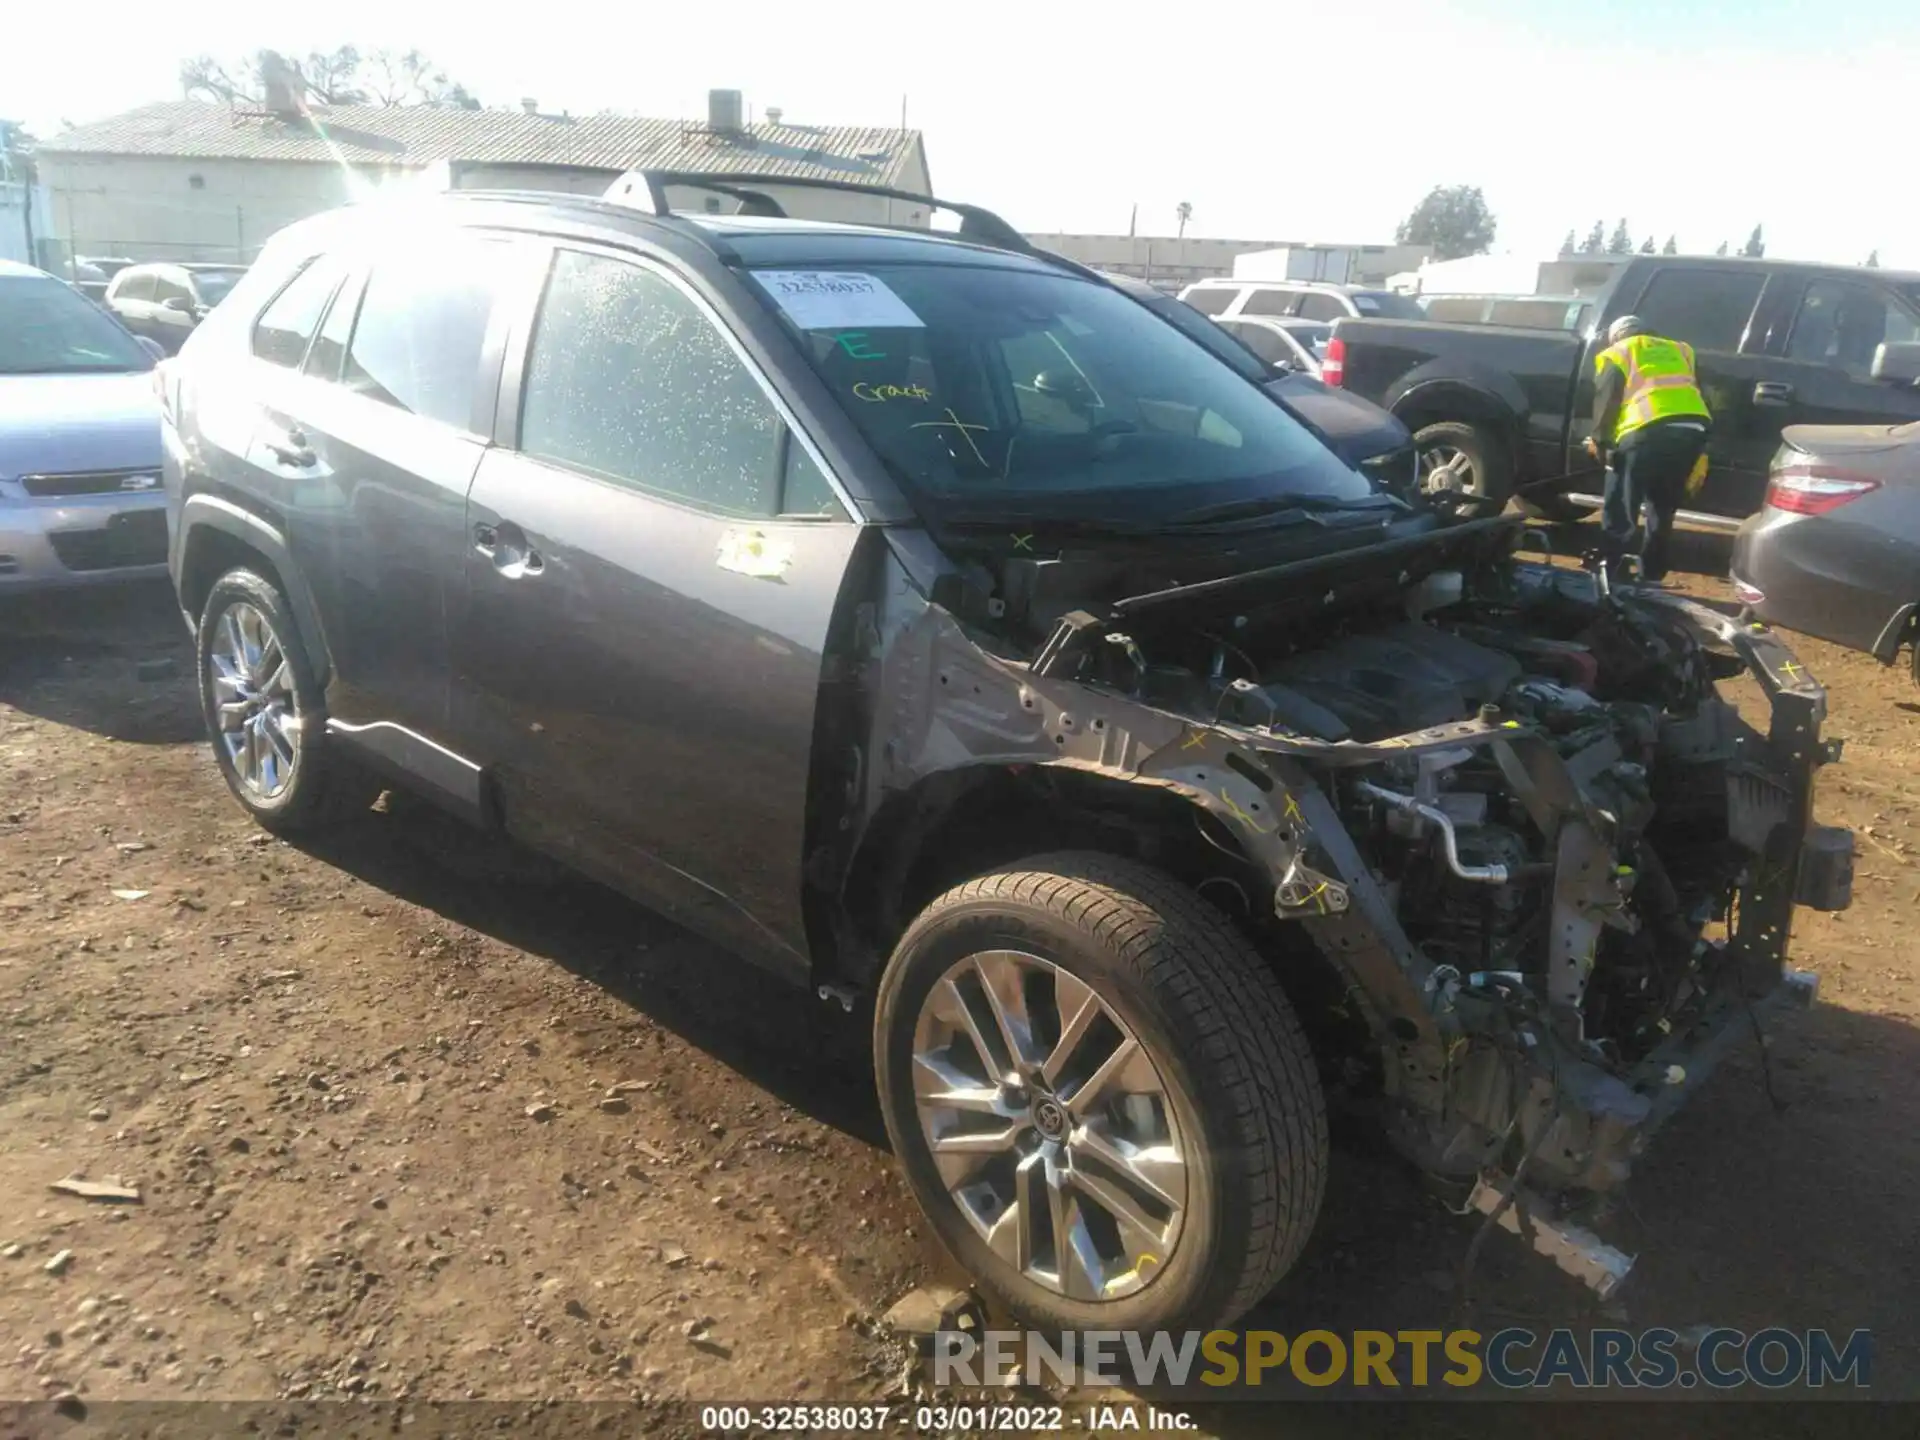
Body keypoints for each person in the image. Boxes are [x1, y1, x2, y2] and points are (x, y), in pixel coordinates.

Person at [1582, 314, 1711, 584]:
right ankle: (1652, 574)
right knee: (1662, 508)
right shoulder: (1681, 350)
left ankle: (1612, 574)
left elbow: (1607, 400)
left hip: (1645, 431)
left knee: (1621, 507)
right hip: (1692, 432)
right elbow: (1698, 391)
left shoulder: (1617, 353)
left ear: (1615, 336)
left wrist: (1600, 441)